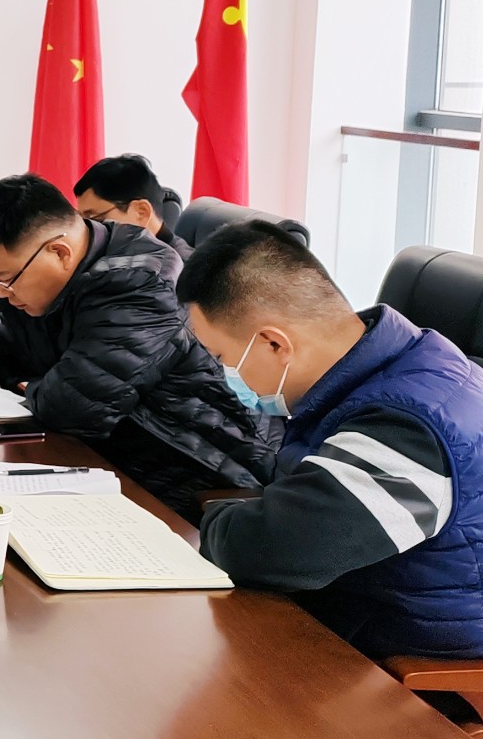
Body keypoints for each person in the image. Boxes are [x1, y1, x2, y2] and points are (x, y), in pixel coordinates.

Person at [180, 222, 483, 660]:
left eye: (222, 358)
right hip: (350, 616)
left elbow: (276, 549)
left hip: (405, 663)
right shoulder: (395, 368)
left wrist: (220, 519)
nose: (223, 375)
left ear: (273, 343)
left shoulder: (406, 429)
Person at [0, 174, 268, 518]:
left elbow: (72, 408)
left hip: (192, 480)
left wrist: (34, 383)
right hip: (105, 462)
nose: (0, 293)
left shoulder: (142, 283)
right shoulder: (53, 277)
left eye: (5, 279)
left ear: (59, 252)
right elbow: (11, 341)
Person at [74, 153, 192, 261]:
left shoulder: (185, 272)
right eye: (83, 221)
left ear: (141, 212)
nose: (87, 231)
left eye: (94, 219)